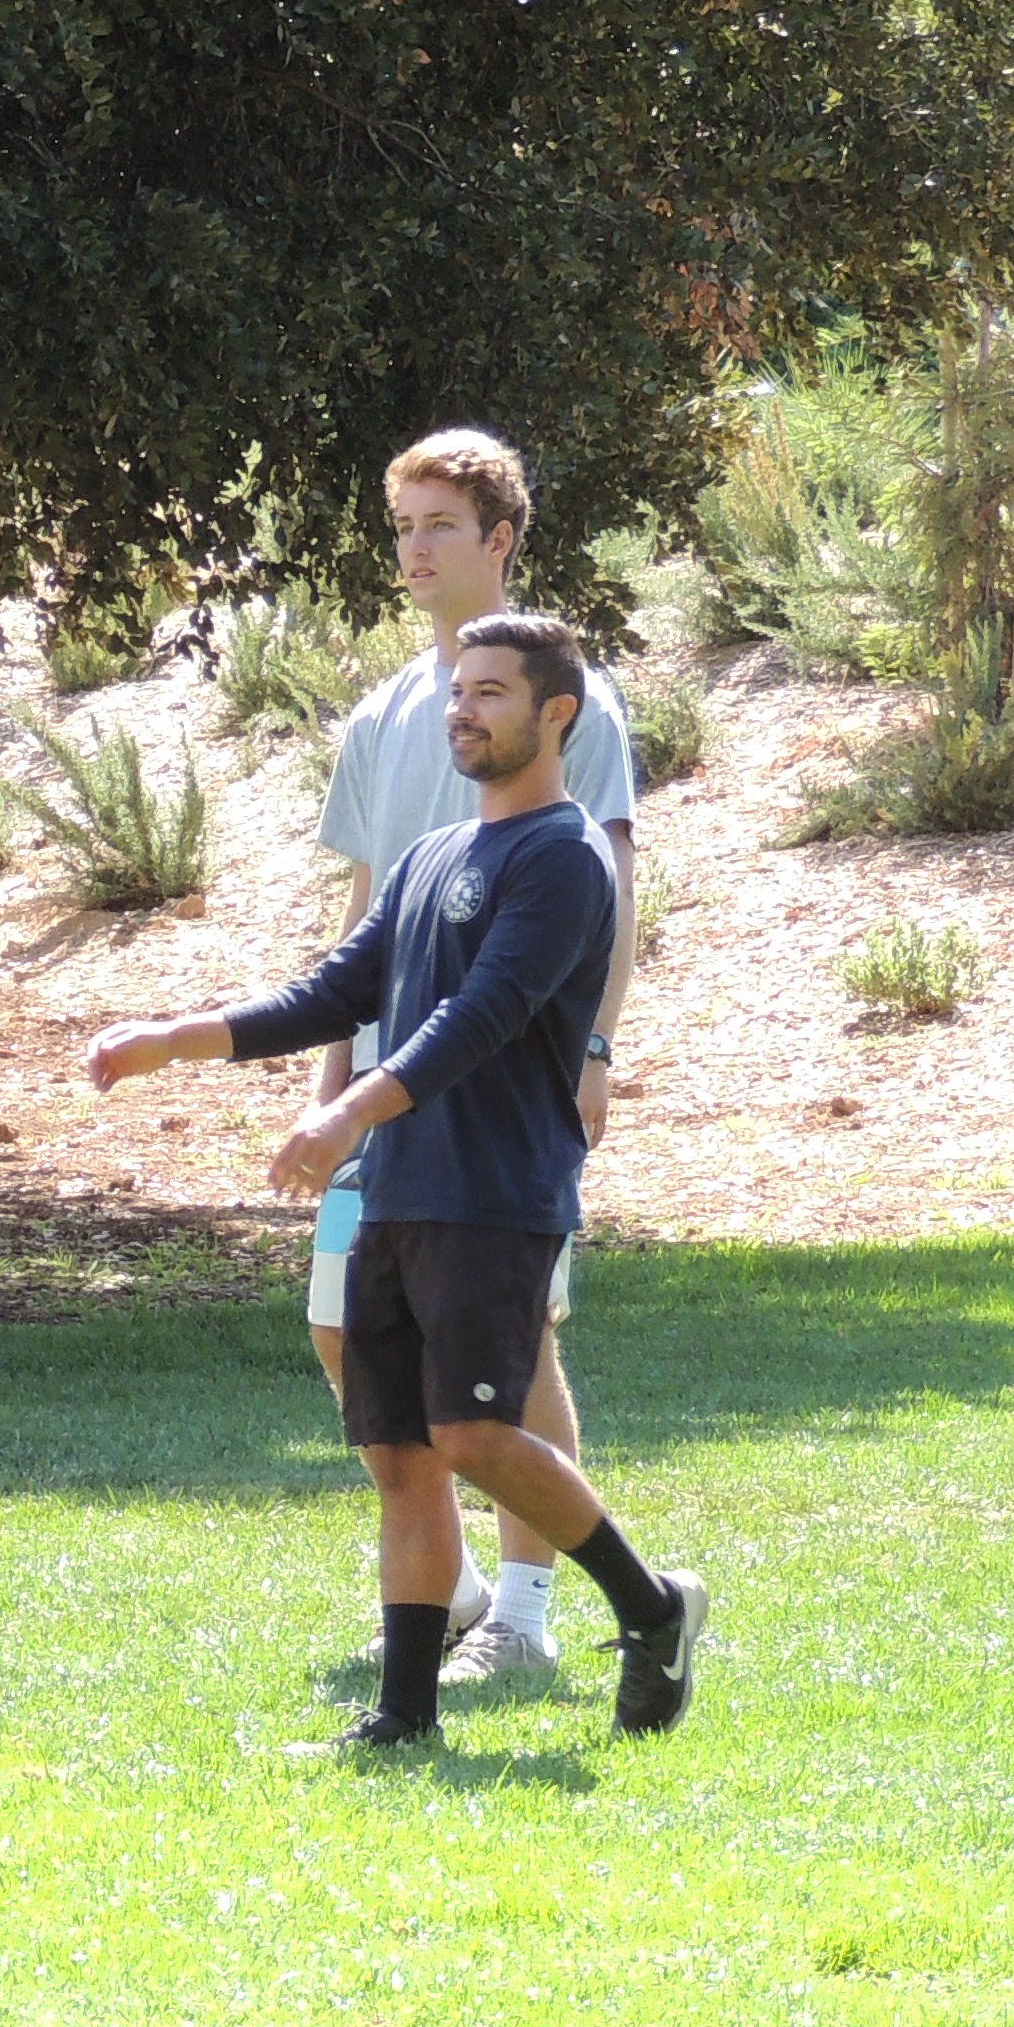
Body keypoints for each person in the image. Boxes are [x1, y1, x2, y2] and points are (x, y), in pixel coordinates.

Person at [87, 614, 708, 1748]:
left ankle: (651, 1605)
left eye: (491, 693)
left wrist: (343, 1113)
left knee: (473, 1437)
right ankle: (405, 1720)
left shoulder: (566, 858)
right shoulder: (430, 859)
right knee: (399, 1454)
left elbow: (482, 1019)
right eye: (456, 691)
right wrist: (173, 1038)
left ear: (553, 713)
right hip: (400, 1188)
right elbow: (337, 992)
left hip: (494, 1192)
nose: (462, 711)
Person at [309, 431, 642, 1684]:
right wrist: (326, 1075)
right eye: (403, 527)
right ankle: (435, 1594)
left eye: (441, 525)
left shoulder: (566, 694)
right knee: (351, 1332)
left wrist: (595, 1050)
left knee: (517, 1351)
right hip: (384, 1089)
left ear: (501, 539)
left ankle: (525, 1613)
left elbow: (610, 881)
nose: (416, 549)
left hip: (504, 1090)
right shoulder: (389, 713)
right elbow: (362, 910)